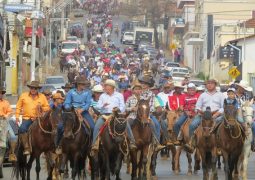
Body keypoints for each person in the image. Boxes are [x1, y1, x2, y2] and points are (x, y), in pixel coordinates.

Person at [184, 79, 225, 153]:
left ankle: (221, 145)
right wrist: (199, 111)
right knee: (192, 125)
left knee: (222, 127)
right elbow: (197, 106)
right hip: (203, 115)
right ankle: (191, 143)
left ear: (215, 85)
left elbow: (223, 107)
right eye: (208, 83)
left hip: (216, 115)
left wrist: (217, 114)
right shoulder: (202, 95)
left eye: (211, 83)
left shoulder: (221, 95)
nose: (209, 85)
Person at [91, 79, 126, 156]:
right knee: (96, 126)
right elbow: (97, 106)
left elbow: (123, 105)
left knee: (127, 125)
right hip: (105, 115)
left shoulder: (119, 95)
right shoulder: (103, 96)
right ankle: (94, 145)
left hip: (116, 115)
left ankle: (131, 143)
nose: (105, 87)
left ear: (112, 87)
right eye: (105, 86)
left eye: (107, 86)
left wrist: (118, 109)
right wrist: (102, 105)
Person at [16, 81, 50, 155]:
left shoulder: (42, 96)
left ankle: (51, 146)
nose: (33, 89)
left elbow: (47, 107)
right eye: (32, 88)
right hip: (27, 118)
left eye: (35, 88)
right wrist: (17, 117)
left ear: (37, 89)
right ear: (30, 88)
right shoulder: (23, 96)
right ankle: (26, 147)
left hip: (39, 118)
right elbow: (18, 107)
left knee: (51, 128)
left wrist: (42, 108)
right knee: (22, 129)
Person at [138, 76, 165, 151]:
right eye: (142, 83)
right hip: (137, 114)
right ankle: (126, 142)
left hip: (148, 114)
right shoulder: (138, 93)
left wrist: (146, 112)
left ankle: (157, 143)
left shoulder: (151, 94)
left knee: (156, 124)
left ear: (148, 86)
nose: (143, 85)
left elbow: (152, 106)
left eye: (145, 84)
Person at [125, 83, 143, 150]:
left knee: (152, 125)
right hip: (132, 116)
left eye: (139, 89)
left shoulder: (144, 99)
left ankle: (154, 141)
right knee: (126, 124)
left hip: (143, 116)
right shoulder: (130, 98)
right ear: (133, 90)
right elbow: (125, 108)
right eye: (136, 89)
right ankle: (129, 140)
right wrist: (132, 108)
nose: (138, 91)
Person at [0, 87, 14, 161]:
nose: (0, 94)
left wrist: (6, 115)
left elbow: (10, 112)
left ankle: (12, 154)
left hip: (4, 121)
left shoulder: (6, 102)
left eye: (1, 93)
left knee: (12, 136)